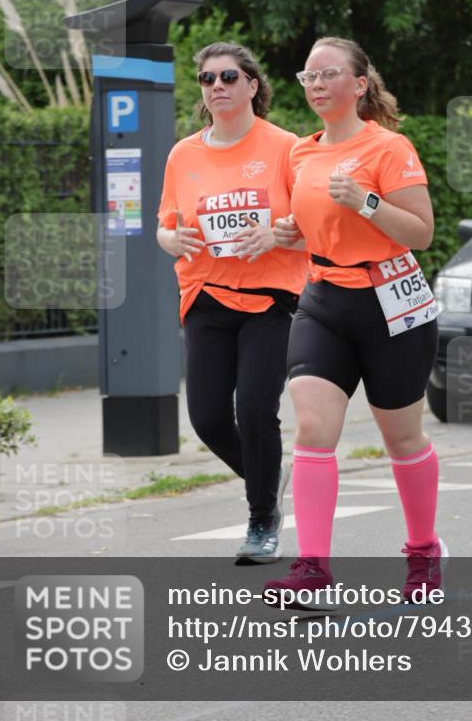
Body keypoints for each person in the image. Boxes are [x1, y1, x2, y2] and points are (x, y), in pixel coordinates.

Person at [262, 36, 447, 606]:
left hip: (391, 302)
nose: (316, 85)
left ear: (359, 84)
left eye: (328, 74)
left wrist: (366, 201)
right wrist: (291, 230)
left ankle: (423, 554)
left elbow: (420, 233)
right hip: (323, 300)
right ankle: (312, 568)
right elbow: (307, 217)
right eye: (308, 76)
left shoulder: (388, 147)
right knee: (313, 430)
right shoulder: (301, 152)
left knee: (402, 438)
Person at [156, 42, 307, 564]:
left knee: (257, 409)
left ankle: (262, 520)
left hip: (271, 299)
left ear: (252, 85)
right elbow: (166, 225)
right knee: (207, 418)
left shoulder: (287, 148)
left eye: (227, 76)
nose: (215, 86)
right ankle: (269, 475)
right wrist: (169, 241)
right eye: (205, 79)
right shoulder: (184, 154)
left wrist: (280, 235)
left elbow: (316, 226)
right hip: (205, 296)